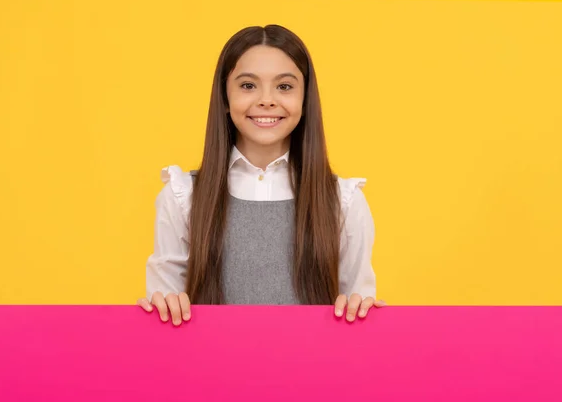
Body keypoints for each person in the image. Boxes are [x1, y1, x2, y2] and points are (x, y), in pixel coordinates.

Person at [137, 24, 386, 326]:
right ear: (225, 99)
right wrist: (162, 305)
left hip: (312, 370)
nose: (266, 100)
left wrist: (363, 309)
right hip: (209, 370)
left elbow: (358, 310)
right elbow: (163, 314)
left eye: (284, 86)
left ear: (305, 99)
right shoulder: (182, 197)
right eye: (248, 86)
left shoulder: (342, 201)